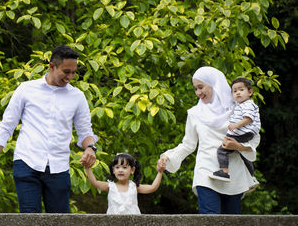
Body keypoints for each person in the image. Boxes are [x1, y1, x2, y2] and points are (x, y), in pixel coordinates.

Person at [0, 45, 98, 213]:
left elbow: (85, 131)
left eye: (74, 72)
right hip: (26, 162)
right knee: (30, 221)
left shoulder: (77, 97)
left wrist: (90, 148)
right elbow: (6, 126)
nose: (70, 77)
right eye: (66, 71)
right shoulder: (26, 89)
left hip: (59, 166)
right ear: (52, 66)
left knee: (60, 224)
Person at [158, 66, 260, 214]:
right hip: (205, 172)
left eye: (201, 87)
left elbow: (254, 135)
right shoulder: (194, 113)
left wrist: (238, 146)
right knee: (209, 221)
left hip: (233, 173)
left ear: (214, 84)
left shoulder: (238, 109)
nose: (198, 93)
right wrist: (167, 156)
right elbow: (188, 144)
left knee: (231, 225)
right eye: (195, 89)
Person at [209, 77, 260, 182]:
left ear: (250, 92)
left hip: (243, 132)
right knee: (243, 154)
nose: (238, 93)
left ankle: (224, 172)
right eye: (234, 91)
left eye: (241, 90)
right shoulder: (241, 104)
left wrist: (235, 125)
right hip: (245, 133)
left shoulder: (248, 104)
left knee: (222, 150)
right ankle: (251, 177)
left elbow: (248, 119)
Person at [83, 153, 163, 214]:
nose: (120, 170)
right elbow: (95, 183)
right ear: (113, 170)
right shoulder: (110, 186)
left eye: (124, 167)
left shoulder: (134, 186)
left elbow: (153, 187)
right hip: (113, 224)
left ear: (132, 170)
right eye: (117, 167)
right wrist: (87, 168)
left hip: (133, 223)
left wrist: (160, 172)